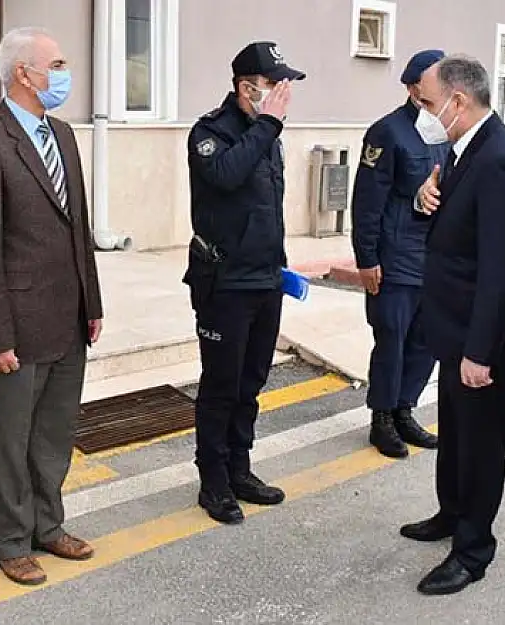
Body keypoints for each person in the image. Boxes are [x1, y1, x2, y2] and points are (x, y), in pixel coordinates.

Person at [0, 26, 104, 586]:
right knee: (11, 440)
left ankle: (47, 523)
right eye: (57, 64)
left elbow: (79, 228)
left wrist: (92, 301)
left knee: (53, 435)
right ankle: (10, 539)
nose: (65, 74)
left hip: (67, 318)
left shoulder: (62, 134)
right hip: (16, 323)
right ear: (24, 73)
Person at [405, 55, 505, 595]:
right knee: (457, 433)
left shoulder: (502, 159)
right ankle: (452, 513)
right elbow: (457, 229)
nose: (424, 111)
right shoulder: (465, 150)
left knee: (482, 444)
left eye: (429, 101)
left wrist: (480, 351)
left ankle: (473, 549)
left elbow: (501, 270)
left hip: (488, 338)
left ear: (458, 102)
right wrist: (423, 199)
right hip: (457, 329)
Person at [182, 41, 304, 525]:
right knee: (221, 386)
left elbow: (267, 208)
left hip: (264, 280)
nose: (280, 93)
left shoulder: (266, 135)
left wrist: (281, 267)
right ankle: (213, 480)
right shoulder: (209, 133)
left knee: (251, 383)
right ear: (245, 86)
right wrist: (268, 124)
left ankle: (240, 467)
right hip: (225, 282)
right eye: (274, 83)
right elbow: (228, 177)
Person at [351, 49, 447, 459]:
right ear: (412, 88)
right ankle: (382, 418)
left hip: (434, 261)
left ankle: (405, 409)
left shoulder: (446, 131)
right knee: (391, 340)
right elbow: (367, 203)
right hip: (395, 259)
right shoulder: (387, 132)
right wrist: (367, 258)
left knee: (426, 342)